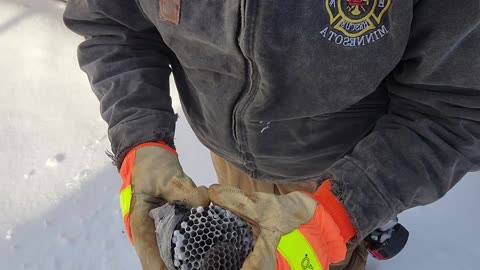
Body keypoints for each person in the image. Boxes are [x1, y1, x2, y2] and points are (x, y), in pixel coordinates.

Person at [64, 0, 480, 269]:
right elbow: (111, 23)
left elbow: (457, 106)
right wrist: (140, 139)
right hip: (227, 154)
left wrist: (348, 208)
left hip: (343, 167)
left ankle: (367, 232)